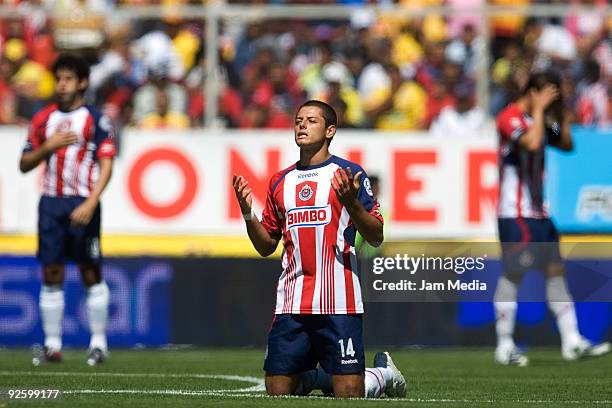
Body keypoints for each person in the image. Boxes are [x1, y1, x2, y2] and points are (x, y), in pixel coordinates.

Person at [232, 100, 406, 398]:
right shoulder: (280, 182)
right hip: (292, 302)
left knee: (349, 393)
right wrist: (248, 215)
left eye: (311, 120)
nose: (301, 124)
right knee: (277, 391)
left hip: (339, 301)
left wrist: (352, 204)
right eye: (298, 119)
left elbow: (376, 235)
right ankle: (315, 377)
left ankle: (382, 374)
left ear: (330, 130)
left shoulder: (348, 174)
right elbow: (266, 246)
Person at [494, 71, 610, 365]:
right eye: (547, 93)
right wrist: (540, 110)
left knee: (556, 273)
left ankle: (572, 340)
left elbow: (567, 145)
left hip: (541, 213)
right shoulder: (509, 117)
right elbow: (532, 145)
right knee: (513, 273)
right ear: (533, 91)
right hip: (515, 212)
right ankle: (504, 344)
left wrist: (561, 115)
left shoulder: (541, 119)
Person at [19, 54, 115, 366]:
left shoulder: (95, 119)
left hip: (82, 202)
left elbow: (107, 163)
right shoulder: (42, 119)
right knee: (51, 272)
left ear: (82, 83)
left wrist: (91, 201)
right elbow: (24, 163)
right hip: (51, 203)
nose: (61, 84)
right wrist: (48, 147)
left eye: (68, 79)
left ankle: (98, 344)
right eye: (58, 78)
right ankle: (52, 345)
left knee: (90, 271)